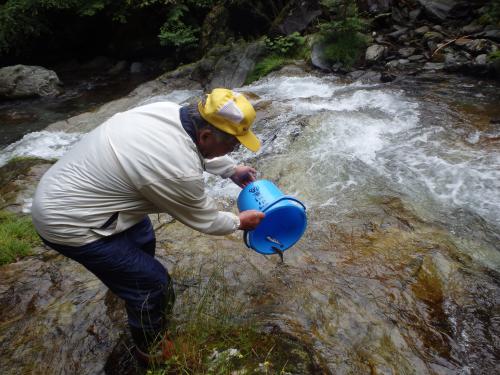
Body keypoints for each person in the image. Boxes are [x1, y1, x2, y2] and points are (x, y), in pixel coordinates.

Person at [31, 88, 266, 365]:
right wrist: (240, 221)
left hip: (80, 192)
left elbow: (195, 150)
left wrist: (230, 168)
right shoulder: (178, 171)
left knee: (143, 238)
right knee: (153, 285)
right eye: (234, 144)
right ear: (205, 134)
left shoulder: (168, 111)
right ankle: (151, 354)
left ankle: (130, 295)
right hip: (68, 220)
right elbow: (205, 219)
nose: (236, 149)